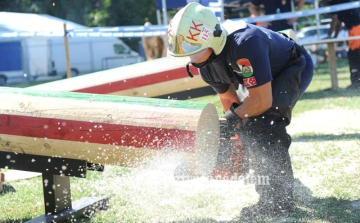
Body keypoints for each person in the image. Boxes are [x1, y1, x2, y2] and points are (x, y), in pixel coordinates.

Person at [166, 2, 313, 219]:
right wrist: (235, 131)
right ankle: (262, 181)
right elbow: (229, 100)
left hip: (290, 66)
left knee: (266, 124)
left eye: (195, 51)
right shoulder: (206, 66)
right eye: (189, 54)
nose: (192, 58)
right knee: (248, 127)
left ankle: (277, 202)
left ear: (212, 38)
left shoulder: (246, 44)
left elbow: (261, 101)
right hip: (258, 76)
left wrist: (231, 119)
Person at [326, 0, 360, 89]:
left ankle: (356, 83)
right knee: (354, 55)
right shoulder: (340, 4)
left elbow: (335, 20)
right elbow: (339, 24)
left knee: (355, 55)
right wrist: (334, 37)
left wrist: (329, 35)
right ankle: (356, 82)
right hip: (353, 30)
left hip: (356, 30)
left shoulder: (334, 3)